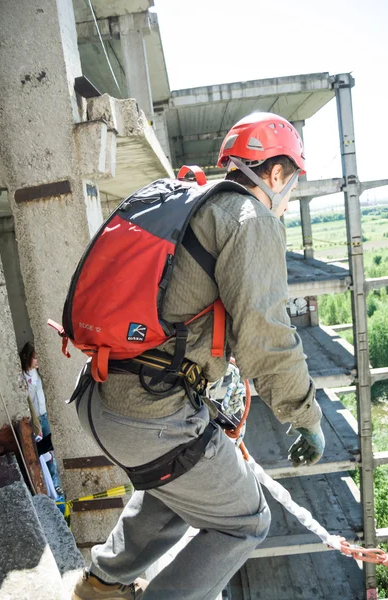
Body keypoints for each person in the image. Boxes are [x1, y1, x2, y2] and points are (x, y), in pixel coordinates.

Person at [72, 112, 325, 600]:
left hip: (103, 399)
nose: (288, 199)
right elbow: (266, 337)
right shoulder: (252, 220)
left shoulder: (192, 205)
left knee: (178, 491)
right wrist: (305, 416)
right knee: (247, 522)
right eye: (290, 183)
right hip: (150, 416)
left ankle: (102, 584)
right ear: (275, 175)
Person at [20, 341, 63, 496]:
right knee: (43, 451)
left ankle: (56, 484)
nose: (38, 361)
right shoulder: (22, 376)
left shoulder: (39, 373)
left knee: (51, 451)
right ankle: (48, 485)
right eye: (35, 358)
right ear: (27, 357)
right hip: (35, 419)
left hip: (44, 416)